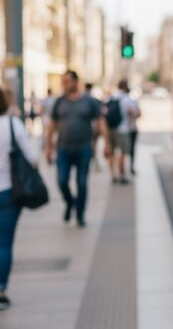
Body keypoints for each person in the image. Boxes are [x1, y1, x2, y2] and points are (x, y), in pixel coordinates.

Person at [44, 71, 109, 227]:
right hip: (63, 149)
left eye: (67, 82)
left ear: (75, 82)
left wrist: (107, 143)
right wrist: (48, 147)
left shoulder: (89, 102)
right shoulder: (59, 102)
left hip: (83, 148)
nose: (65, 85)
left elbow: (100, 122)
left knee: (81, 183)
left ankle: (80, 214)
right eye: (63, 82)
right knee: (62, 181)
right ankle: (70, 202)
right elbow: (51, 126)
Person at [0, 87, 36, 310]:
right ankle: (1, 290)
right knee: (4, 243)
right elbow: (32, 158)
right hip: (9, 193)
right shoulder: (12, 125)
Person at [106, 79, 140, 184]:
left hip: (110, 129)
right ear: (126, 87)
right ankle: (121, 175)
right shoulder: (128, 99)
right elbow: (135, 113)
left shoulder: (111, 97)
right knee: (122, 153)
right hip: (123, 129)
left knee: (112, 153)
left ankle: (113, 175)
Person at [84, 83, 102, 172]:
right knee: (94, 145)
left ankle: (91, 163)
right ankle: (95, 163)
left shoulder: (84, 100)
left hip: (87, 128)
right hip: (93, 127)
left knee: (89, 145)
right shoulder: (94, 100)